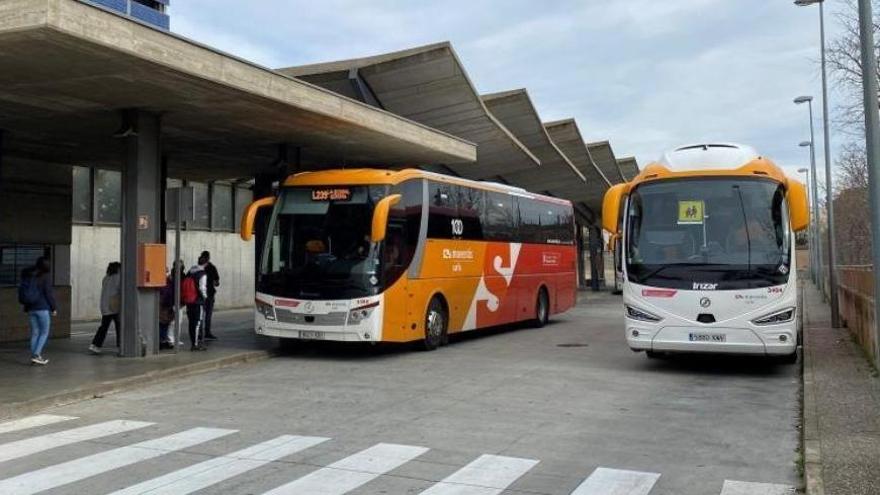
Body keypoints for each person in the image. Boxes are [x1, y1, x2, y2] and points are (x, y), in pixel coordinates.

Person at [18, 257, 56, 365]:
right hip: (42, 308)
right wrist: (53, 308)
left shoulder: (29, 275)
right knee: (44, 332)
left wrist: (26, 307)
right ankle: (36, 355)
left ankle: (35, 355)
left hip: (31, 308)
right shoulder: (45, 277)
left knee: (35, 333)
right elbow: (49, 294)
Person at [88, 262, 121, 354]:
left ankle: (95, 345)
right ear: (118, 269)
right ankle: (121, 346)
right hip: (115, 306)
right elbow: (121, 290)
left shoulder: (106, 278)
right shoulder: (119, 278)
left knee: (104, 327)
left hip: (105, 305)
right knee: (120, 327)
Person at [184, 260, 209, 351]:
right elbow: (202, 288)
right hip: (197, 301)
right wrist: (205, 298)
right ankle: (195, 344)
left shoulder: (190, 272)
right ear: (206, 263)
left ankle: (193, 342)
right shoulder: (202, 274)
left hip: (189, 300)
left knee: (191, 322)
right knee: (197, 323)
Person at [199, 251, 220, 340]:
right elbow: (217, 282)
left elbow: (217, 281)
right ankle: (206, 332)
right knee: (207, 315)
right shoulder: (212, 267)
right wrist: (214, 283)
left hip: (200, 295)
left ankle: (200, 333)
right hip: (208, 294)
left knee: (200, 315)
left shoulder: (197, 267)